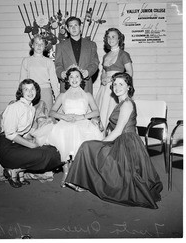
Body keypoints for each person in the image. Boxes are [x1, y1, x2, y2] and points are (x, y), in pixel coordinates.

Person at [65, 73, 163, 209]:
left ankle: (79, 181)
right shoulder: (122, 103)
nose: (117, 87)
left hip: (126, 142)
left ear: (129, 87)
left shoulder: (126, 104)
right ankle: (80, 181)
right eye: (115, 84)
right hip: (125, 139)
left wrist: (101, 143)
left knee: (88, 146)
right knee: (90, 146)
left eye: (121, 84)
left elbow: (118, 131)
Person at [0, 79, 62, 188]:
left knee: (54, 151)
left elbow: (25, 132)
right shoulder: (14, 107)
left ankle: (18, 170)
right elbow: (10, 134)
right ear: (21, 92)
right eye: (26, 89)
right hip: (8, 149)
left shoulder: (31, 108)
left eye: (32, 89)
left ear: (37, 91)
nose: (30, 92)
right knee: (45, 154)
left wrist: (40, 138)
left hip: (19, 144)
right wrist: (32, 145)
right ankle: (13, 171)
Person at [47, 66, 103, 186]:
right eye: (71, 77)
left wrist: (82, 116)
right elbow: (52, 112)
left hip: (82, 122)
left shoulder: (87, 95)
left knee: (80, 139)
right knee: (63, 139)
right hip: (66, 122)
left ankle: (77, 173)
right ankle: (66, 172)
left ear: (82, 79)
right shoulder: (62, 95)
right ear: (67, 80)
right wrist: (63, 117)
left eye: (77, 76)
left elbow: (96, 112)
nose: (74, 79)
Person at [95, 28, 133, 131]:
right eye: (108, 37)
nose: (110, 39)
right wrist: (103, 79)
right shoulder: (105, 56)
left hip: (116, 88)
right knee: (101, 113)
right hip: (104, 90)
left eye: (113, 37)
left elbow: (129, 73)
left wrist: (113, 80)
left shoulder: (124, 55)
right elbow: (103, 72)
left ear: (119, 39)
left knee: (114, 115)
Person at [55, 16, 99, 94]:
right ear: (67, 29)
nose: (74, 28)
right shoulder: (60, 46)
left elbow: (95, 62)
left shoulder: (91, 45)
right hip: (67, 85)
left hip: (85, 85)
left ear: (80, 27)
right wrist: (61, 73)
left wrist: (88, 72)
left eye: (76, 25)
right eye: (71, 26)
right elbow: (58, 64)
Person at [19, 34, 59, 112]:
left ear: (45, 47)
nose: (39, 46)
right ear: (32, 45)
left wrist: (57, 97)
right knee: (31, 115)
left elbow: (54, 81)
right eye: (37, 43)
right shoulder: (26, 61)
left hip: (46, 92)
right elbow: (22, 80)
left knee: (47, 116)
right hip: (31, 91)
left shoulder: (49, 61)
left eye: (42, 44)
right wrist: (22, 95)